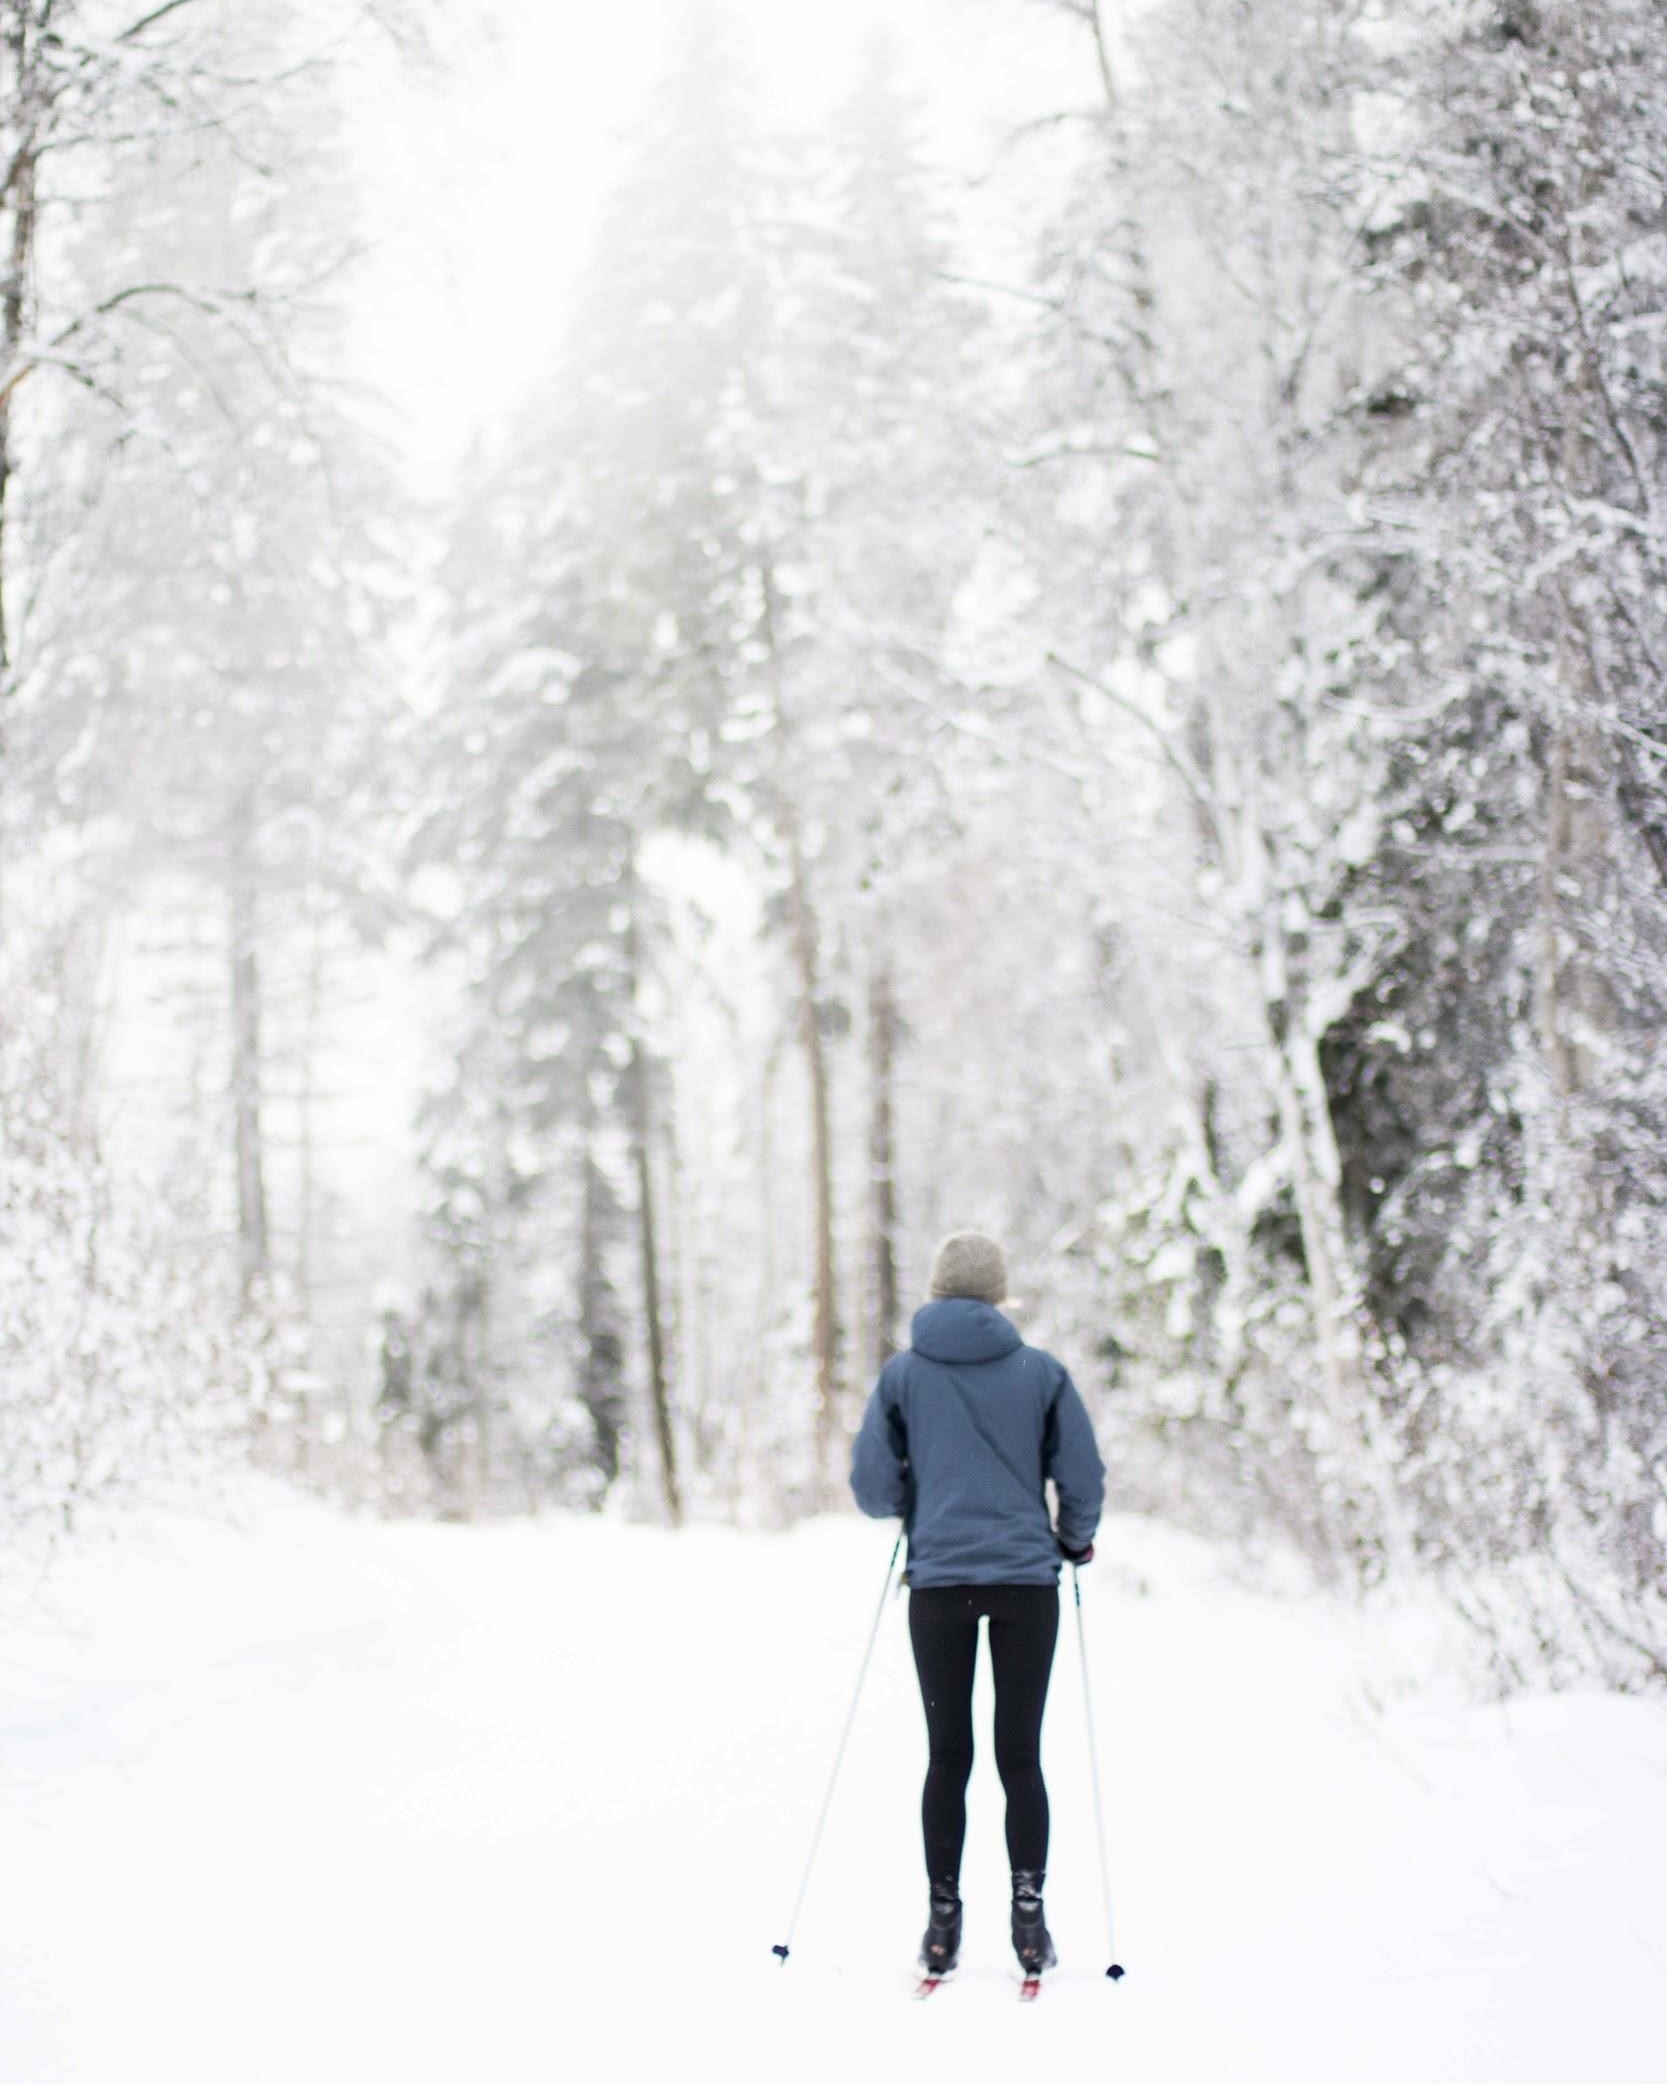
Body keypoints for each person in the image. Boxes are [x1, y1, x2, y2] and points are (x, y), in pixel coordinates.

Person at [850, 1232, 1105, 1983]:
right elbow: (1082, 1472)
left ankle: (941, 1924)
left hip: (937, 1590)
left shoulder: (901, 1376)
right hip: (1027, 1585)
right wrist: (1073, 1540)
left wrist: (912, 1507)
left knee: (946, 1758)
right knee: (1019, 1757)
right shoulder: (1041, 1372)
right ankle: (1030, 1923)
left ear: (934, 1292)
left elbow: (869, 1484)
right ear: (998, 1297)